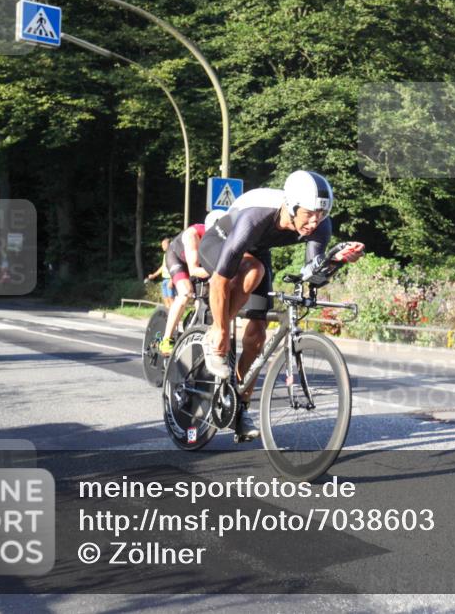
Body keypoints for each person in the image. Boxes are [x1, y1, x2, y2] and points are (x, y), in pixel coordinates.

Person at [198, 170, 364, 441]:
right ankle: (212, 336)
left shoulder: (320, 224)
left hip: (257, 252)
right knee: (253, 270)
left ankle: (240, 406)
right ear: (292, 206)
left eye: (321, 214)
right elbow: (219, 280)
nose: (315, 221)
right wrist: (221, 328)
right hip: (221, 241)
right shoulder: (256, 215)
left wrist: (337, 261)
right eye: (309, 214)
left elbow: (312, 272)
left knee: (257, 337)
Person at [157, 213, 222, 356]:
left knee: (205, 301)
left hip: (201, 264)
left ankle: (194, 327)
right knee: (185, 293)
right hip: (178, 259)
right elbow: (193, 270)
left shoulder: (225, 236)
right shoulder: (192, 235)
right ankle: (166, 339)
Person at [144, 238, 174, 309]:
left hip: (169, 280)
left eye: (164, 245)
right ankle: (168, 314)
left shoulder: (172, 254)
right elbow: (163, 267)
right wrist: (154, 275)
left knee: (171, 299)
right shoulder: (165, 255)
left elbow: (174, 268)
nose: (162, 246)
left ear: (169, 245)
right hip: (164, 280)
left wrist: (172, 280)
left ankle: (175, 315)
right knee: (165, 299)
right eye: (162, 245)